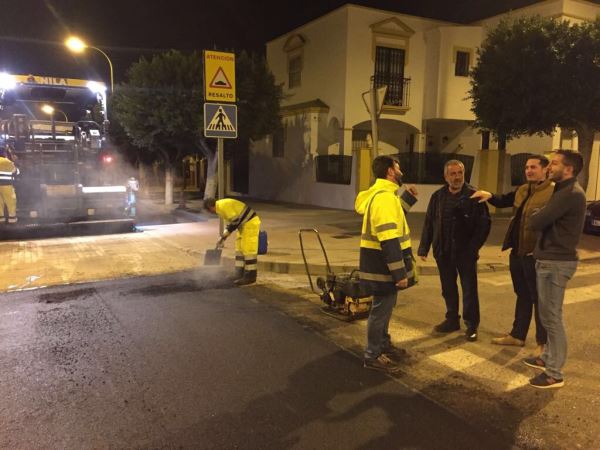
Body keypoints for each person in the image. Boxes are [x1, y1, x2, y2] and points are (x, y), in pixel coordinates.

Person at [470, 155, 552, 356]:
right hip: (518, 252)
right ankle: (518, 335)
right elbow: (504, 199)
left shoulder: (553, 192)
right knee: (522, 294)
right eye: (526, 167)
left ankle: (543, 344)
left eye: (533, 167)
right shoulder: (523, 190)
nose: (529, 171)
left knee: (540, 299)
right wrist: (488, 195)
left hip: (536, 254)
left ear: (545, 169)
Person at [523, 149, 586, 389]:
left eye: (555, 163)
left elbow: (536, 220)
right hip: (550, 260)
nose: (549, 167)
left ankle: (554, 373)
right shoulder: (561, 190)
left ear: (568, 169)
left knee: (552, 318)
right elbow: (540, 217)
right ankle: (547, 358)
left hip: (556, 262)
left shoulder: (570, 193)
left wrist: (539, 215)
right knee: (548, 315)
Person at [355, 155, 418, 373]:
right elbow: (388, 237)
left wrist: (407, 199)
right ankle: (372, 355)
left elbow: (394, 218)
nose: (401, 170)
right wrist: (399, 272)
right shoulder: (384, 198)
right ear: (391, 171)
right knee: (380, 311)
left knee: (384, 309)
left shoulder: (385, 197)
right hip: (383, 269)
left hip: (380, 267)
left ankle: (383, 345)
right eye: (398, 166)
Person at [418, 160, 490, 342]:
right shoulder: (438, 196)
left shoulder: (475, 196)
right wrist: (424, 247)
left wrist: (473, 248)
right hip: (443, 252)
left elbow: (483, 226)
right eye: (453, 174)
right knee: (448, 288)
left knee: (469, 290)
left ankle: (472, 326)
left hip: (465, 254)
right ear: (446, 176)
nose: (457, 177)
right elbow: (429, 222)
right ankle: (452, 320)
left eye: (460, 173)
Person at [204, 197, 261, 286]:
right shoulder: (220, 208)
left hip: (250, 223)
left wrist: (226, 235)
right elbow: (230, 223)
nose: (210, 212)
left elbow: (235, 221)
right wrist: (223, 236)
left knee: (248, 250)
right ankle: (238, 273)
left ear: (211, 207)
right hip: (243, 225)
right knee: (239, 249)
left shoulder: (223, 206)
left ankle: (250, 276)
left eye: (209, 210)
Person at [0, 146, 19, 224]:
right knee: (11, 200)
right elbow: (16, 172)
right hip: (6, 185)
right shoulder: (7, 162)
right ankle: (12, 218)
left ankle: (1, 218)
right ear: (4, 153)